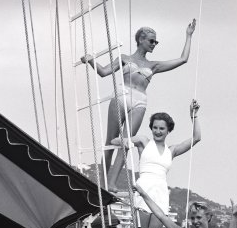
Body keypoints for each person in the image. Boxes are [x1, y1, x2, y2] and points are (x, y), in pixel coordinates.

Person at [80, 20, 196, 191]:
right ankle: (101, 181)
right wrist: (90, 60)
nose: (154, 44)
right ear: (141, 40)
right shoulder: (124, 58)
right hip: (122, 95)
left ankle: (111, 183)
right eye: (152, 41)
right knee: (110, 141)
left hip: (140, 101)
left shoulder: (153, 65)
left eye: (156, 42)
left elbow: (183, 59)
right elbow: (104, 72)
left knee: (126, 143)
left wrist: (188, 35)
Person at [114, 100, 201, 228]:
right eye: (155, 127)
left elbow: (197, 138)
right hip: (143, 193)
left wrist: (194, 116)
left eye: (161, 128)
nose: (158, 131)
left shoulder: (172, 151)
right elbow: (115, 141)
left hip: (161, 197)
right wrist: (127, 141)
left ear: (168, 130)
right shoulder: (144, 141)